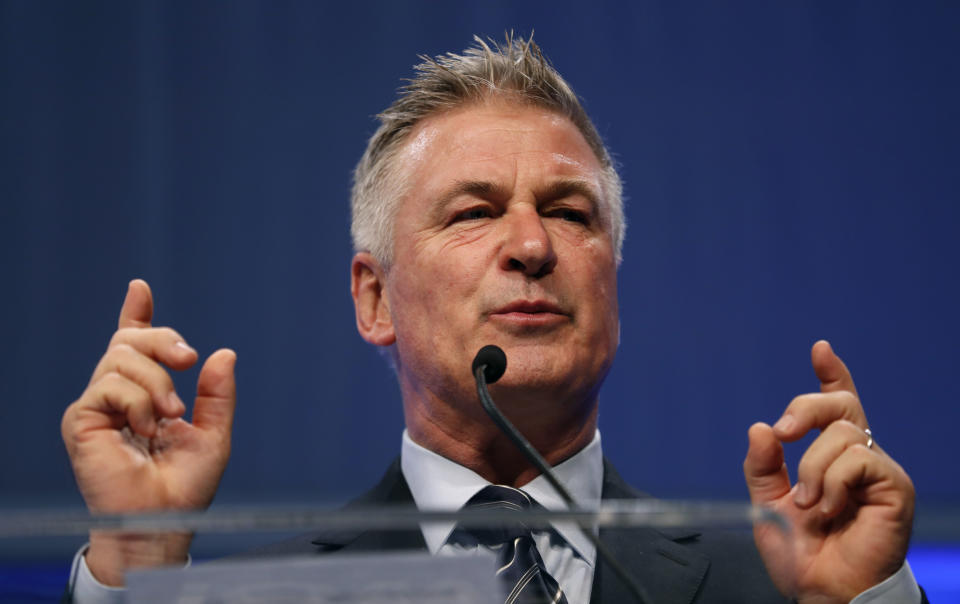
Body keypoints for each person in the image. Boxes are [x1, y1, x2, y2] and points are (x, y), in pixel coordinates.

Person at [61, 35, 922, 603]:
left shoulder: (790, 587)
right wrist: (135, 561)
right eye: (474, 212)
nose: (531, 245)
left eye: (572, 213)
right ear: (374, 298)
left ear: (613, 282)